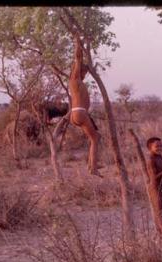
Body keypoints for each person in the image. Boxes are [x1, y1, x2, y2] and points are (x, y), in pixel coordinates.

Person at [69, 33, 102, 177]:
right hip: (79, 113)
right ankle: (93, 168)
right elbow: (78, 58)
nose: (85, 74)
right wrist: (78, 43)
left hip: (77, 114)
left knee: (95, 137)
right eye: (85, 71)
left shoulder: (79, 82)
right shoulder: (75, 78)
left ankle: (91, 165)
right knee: (95, 138)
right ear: (79, 71)